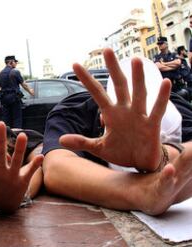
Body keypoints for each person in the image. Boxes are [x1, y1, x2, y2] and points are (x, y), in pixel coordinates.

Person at [42, 48, 192, 216]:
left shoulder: (177, 106)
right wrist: (141, 192)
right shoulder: (73, 110)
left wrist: (161, 156)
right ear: (102, 120)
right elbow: (56, 167)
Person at [0, 56, 35, 128]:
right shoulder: (15, 72)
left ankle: (8, 137)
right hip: (14, 98)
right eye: (15, 62)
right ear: (11, 62)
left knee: (6, 120)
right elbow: (24, 85)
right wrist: (30, 91)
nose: (16, 64)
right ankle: (16, 137)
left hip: (4, 99)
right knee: (17, 119)